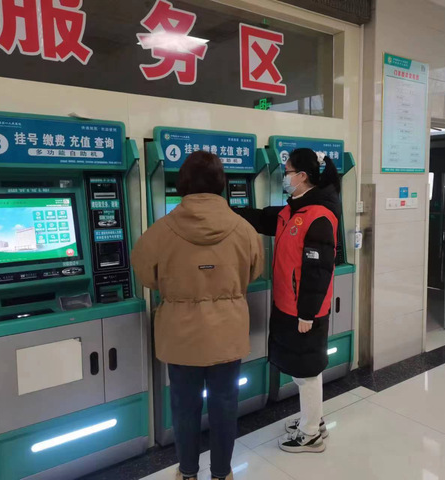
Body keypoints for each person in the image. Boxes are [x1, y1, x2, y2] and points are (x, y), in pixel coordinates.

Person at [131, 151, 264, 480]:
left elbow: (146, 276)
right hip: (227, 333)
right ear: (222, 183)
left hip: (181, 335)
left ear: (182, 184)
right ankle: (222, 473)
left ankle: (187, 472)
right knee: (225, 405)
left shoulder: (159, 231)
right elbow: (255, 271)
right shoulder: (245, 229)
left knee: (184, 406)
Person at [235, 147, 341, 454]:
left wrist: (307, 314)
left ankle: (310, 434)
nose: (285, 177)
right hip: (289, 306)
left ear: (302, 176)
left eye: (288, 172)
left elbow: (318, 272)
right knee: (302, 369)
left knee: (307, 373)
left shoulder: (318, 216)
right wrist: (224, 209)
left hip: (304, 311)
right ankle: (314, 419)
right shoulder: (292, 211)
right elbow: (261, 218)